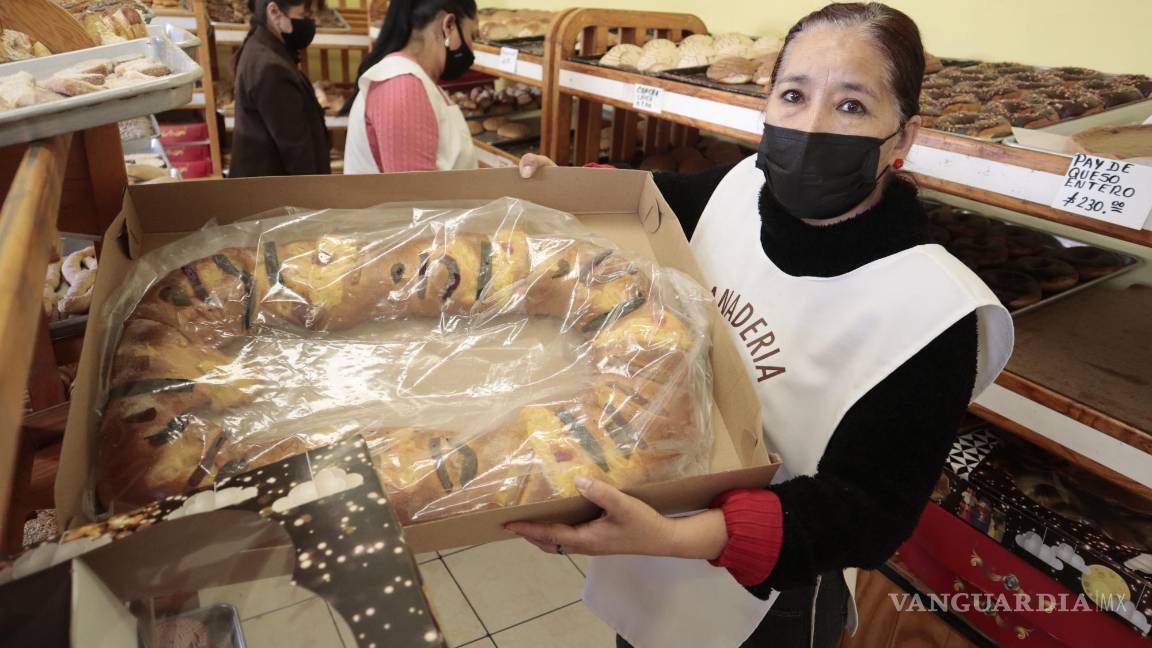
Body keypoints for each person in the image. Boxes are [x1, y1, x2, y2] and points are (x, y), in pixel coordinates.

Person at [508, 3, 1014, 647]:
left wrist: (680, 537)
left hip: (771, 595)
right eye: (794, 95)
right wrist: (565, 187)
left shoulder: (933, 311)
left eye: (852, 105)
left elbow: (870, 511)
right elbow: (646, 206)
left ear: (905, 139)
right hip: (644, 540)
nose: (811, 126)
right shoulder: (738, 187)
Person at [342, 0, 479, 174]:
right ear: (449, 25)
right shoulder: (401, 86)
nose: (472, 49)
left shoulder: (415, 79)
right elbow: (414, 197)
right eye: (472, 36)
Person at [230, 0, 331, 177]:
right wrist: (316, 197)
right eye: (304, 15)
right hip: (275, 195)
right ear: (274, 12)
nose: (310, 22)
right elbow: (297, 151)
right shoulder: (272, 69)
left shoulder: (261, 48)